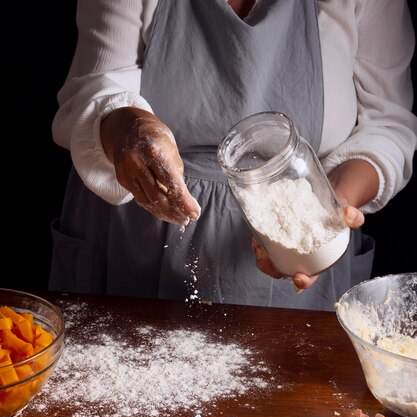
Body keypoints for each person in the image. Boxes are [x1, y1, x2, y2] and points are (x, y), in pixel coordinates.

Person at [50, 0, 417, 311]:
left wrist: (331, 202)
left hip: (296, 266)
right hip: (135, 244)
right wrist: (130, 129)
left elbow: (388, 124)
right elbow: (96, 87)